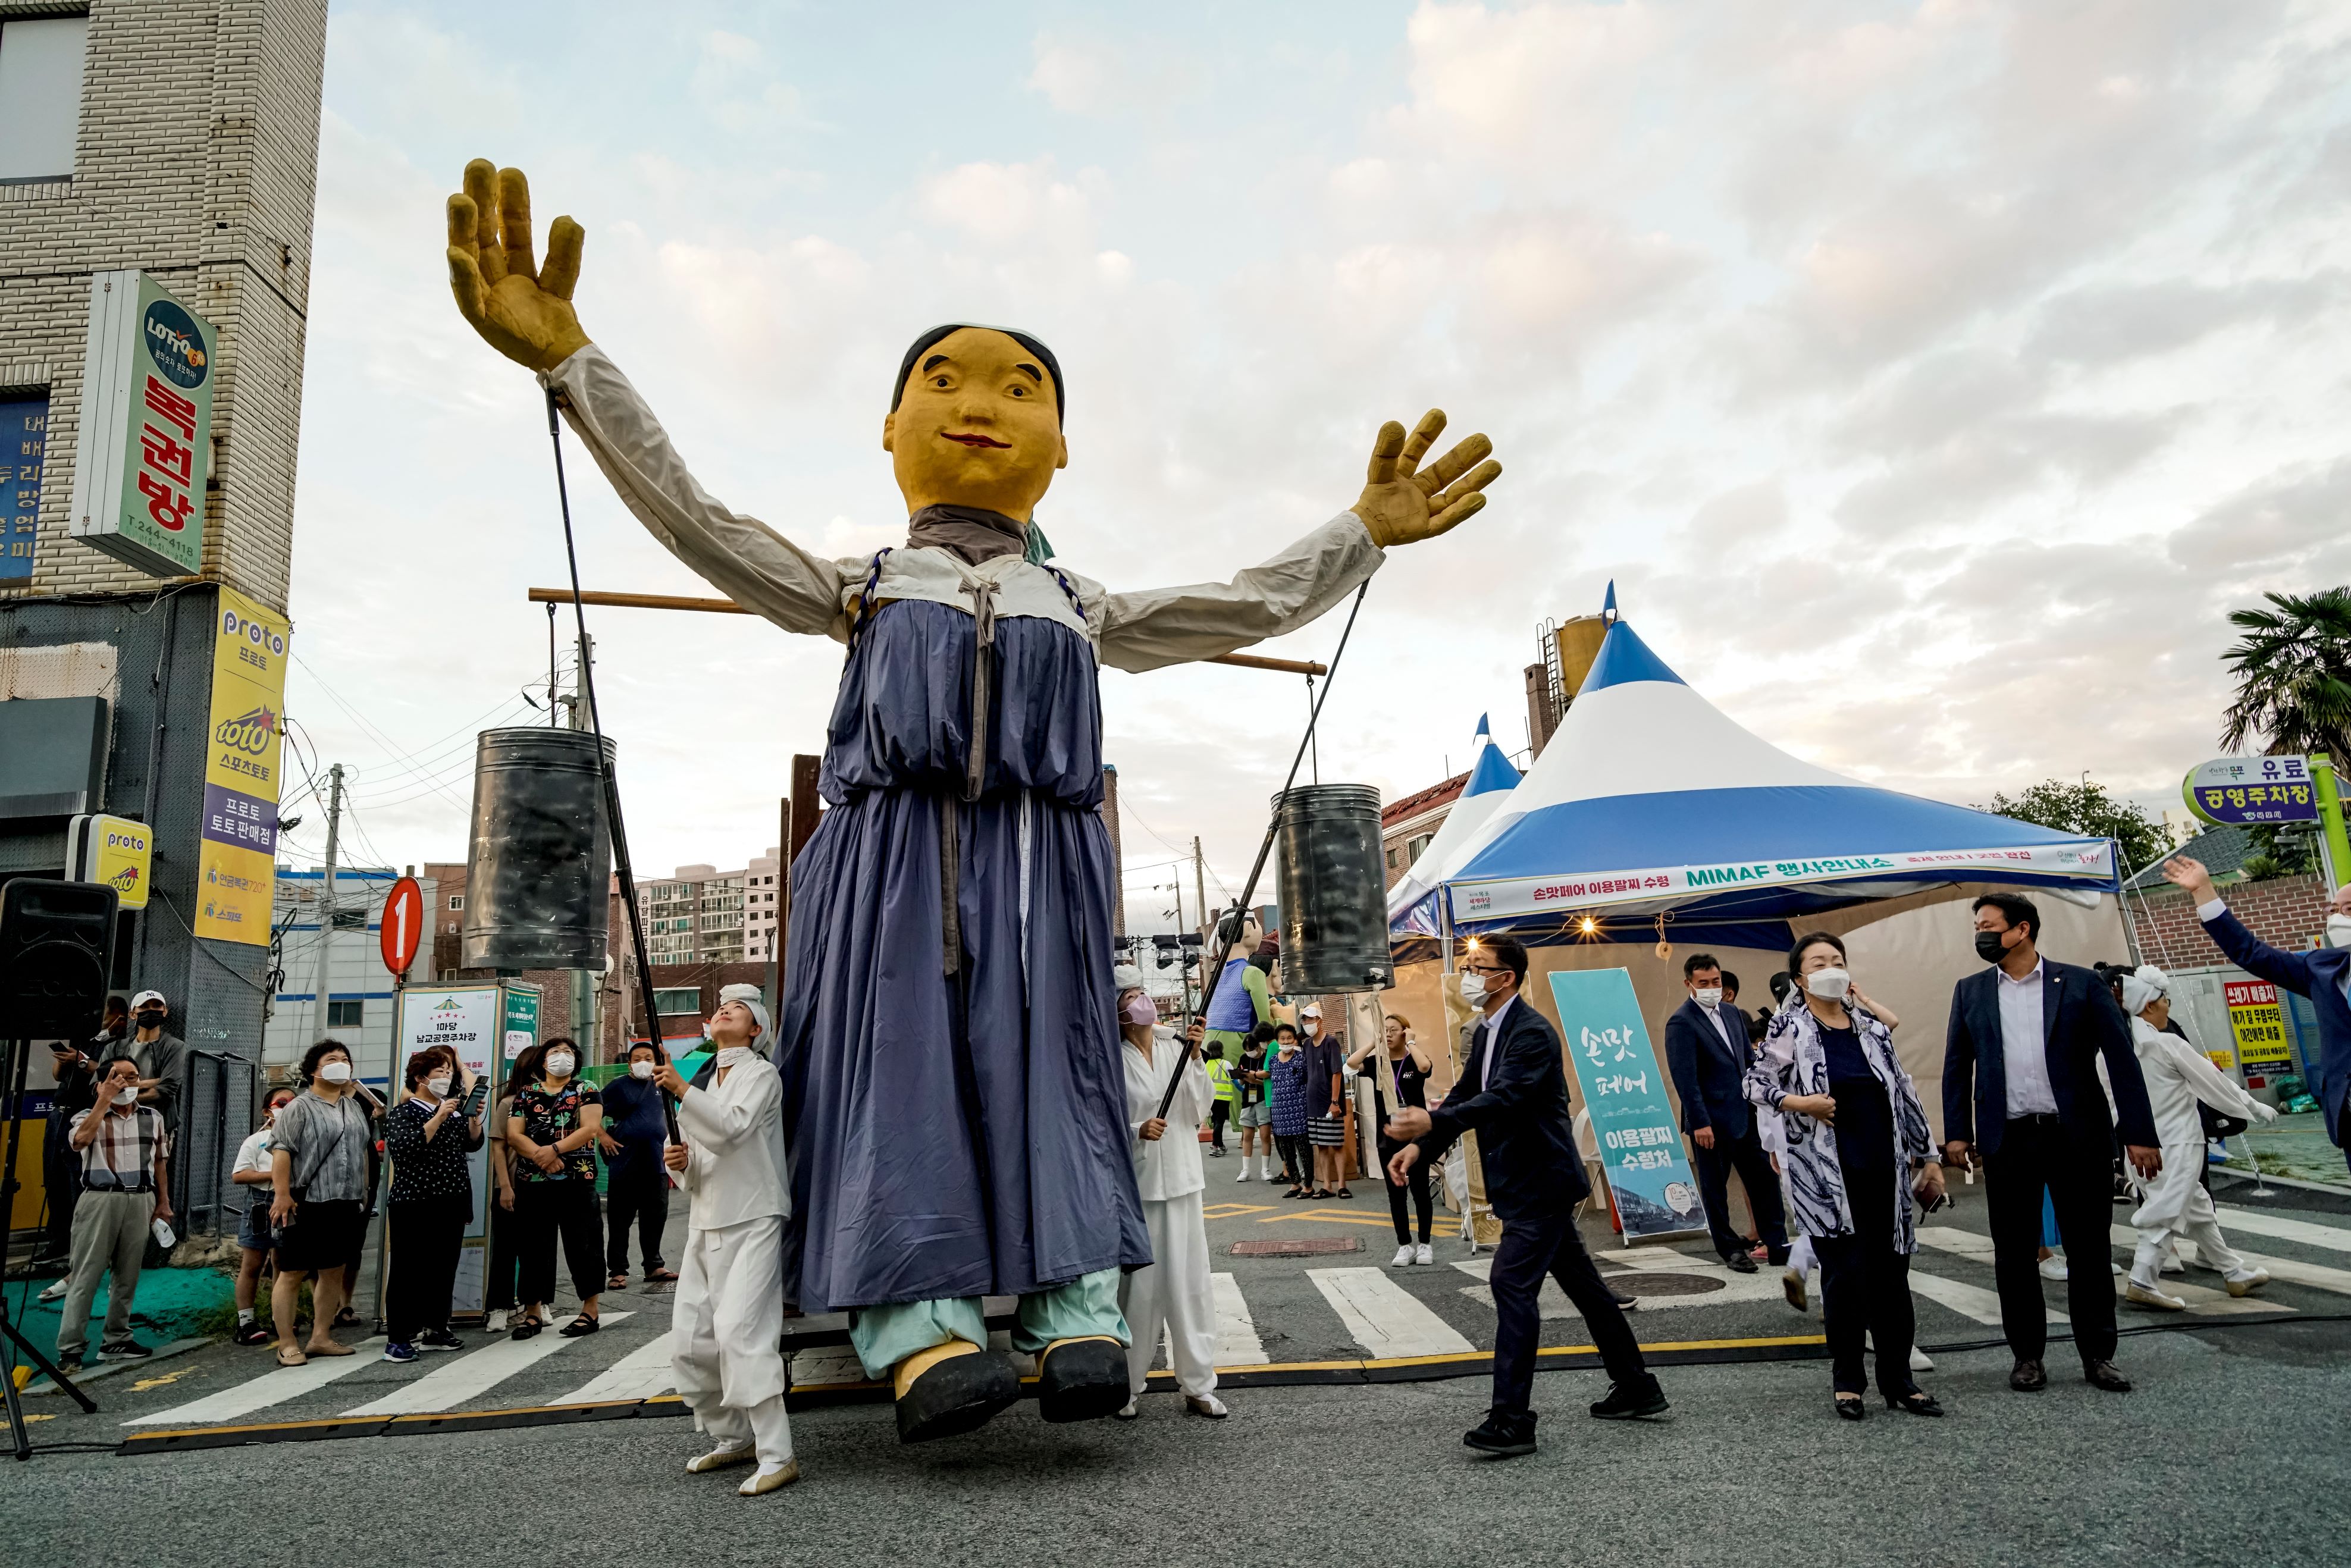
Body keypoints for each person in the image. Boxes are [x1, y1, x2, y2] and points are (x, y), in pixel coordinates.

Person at [1388, 936, 1665, 1456]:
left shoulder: (1532, 1032)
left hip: (1540, 1180)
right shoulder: (1486, 1030)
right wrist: (1423, 1146)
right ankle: (1636, 1386)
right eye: (1468, 965)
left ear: (1505, 978)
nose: (1469, 975)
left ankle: (1512, 1419)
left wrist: (1431, 1122)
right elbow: (1469, 1093)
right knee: (1587, 1290)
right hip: (1524, 1180)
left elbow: (1507, 1097)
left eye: (1478, 967)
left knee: (1510, 1282)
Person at [1943, 893, 2160, 1394]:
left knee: (2089, 1248)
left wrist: (2139, 1134)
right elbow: (1957, 1065)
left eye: (1989, 926)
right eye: (1978, 927)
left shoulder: (2080, 984)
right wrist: (1957, 1132)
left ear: (2022, 929)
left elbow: (2122, 1060)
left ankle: (2099, 1355)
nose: (1981, 935)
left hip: (2075, 1135)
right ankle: (2027, 1357)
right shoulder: (1971, 991)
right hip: (2008, 1138)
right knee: (2014, 1253)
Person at [1750, 933, 1945, 1419]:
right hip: (1825, 1178)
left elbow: (1904, 1093)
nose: (1831, 968)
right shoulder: (1790, 1027)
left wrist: (1930, 1156)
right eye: (1819, 962)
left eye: (1837, 960)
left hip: (1885, 1172)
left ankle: (1899, 1381)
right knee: (1845, 1279)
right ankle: (1848, 1382)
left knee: (1893, 1279)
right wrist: (1802, 1103)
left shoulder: (1872, 1030)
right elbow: (1755, 1084)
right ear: (1801, 978)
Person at [655, 993, 799, 1494]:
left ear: (756, 1030)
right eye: (721, 1007)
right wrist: (680, 1162)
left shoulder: (762, 1075)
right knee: (691, 1344)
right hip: (706, 1220)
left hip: (754, 1215)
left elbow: (732, 1128)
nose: (725, 1009)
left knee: (741, 1333)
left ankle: (778, 1454)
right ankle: (734, 1437)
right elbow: (694, 1156)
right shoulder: (703, 1081)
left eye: (737, 1008)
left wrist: (680, 1090)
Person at [2167, 854, 2351, 1177]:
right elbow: (2251, 953)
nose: (2336, 917)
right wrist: (2203, 891)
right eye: (2332, 909)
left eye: (2347, 909)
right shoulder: (2322, 969)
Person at [2107, 964, 2278, 1307]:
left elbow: (2109, 1105)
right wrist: (2254, 1105)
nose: (2168, 1007)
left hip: (2138, 1149)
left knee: (2198, 1208)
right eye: (2165, 1001)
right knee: (2166, 1210)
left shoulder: (2109, 1052)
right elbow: (2215, 1080)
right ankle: (2142, 1279)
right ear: (2150, 1005)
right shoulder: (2167, 1044)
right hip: (2180, 1143)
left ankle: (2233, 1271)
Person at [1112, 971, 1225, 1419]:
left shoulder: (1176, 1047)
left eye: (1142, 993)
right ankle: (1127, 1387)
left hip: (1183, 1181)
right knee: (1138, 1295)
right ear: (1118, 1010)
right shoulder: (1110, 1058)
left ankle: (1199, 1386)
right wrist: (1136, 1130)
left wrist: (1195, 1056)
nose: (1141, 1001)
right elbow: (1101, 1123)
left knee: (1191, 1289)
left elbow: (1200, 1107)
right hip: (1141, 1189)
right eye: (1131, 996)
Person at [1663, 952, 1788, 1274]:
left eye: (1715, 981)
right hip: (1711, 1121)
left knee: (1764, 1180)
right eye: (1703, 983)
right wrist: (1699, 1122)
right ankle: (1730, 1249)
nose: (1711, 988)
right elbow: (1685, 1079)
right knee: (1715, 1189)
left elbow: (1748, 1061)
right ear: (1689, 984)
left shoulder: (1732, 1013)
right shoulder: (1681, 1021)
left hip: (1746, 1113)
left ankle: (1777, 1243)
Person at [54, 1055, 173, 1371]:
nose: (125, 1083)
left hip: (141, 1199)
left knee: (128, 1275)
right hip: (99, 1199)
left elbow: (159, 1161)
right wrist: (103, 1101)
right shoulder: (85, 1116)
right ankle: (71, 1349)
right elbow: (79, 1142)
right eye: (116, 1077)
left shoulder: (153, 1117)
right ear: (101, 1084)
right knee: (86, 1275)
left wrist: (163, 1202)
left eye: (132, 1077)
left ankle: (117, 1339)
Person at [269, 1040, 375, 1366]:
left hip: (346, 1201)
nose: (341, 1063)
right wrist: (282, 1195)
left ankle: (321, 1337)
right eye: (332, 1059)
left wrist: (364, 1190)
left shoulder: (353, 1107)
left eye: (345, 1059)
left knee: (333, 1270)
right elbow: (282, 1150)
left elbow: (363, 1150)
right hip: (307, 1201)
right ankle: (287, 1343)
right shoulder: (299, 1107)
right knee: (293, 1271)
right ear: (313, 1070)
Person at [381, 1046, 486, 1363]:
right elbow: (405, 1149)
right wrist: (439, 1117)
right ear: (420, 1077)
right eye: (440, 1071)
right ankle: (398, 1338)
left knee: (443, 1267)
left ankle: (436, 1328)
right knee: (407, 1270)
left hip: (451, 1200)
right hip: (414, 1202)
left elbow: (472, 1144)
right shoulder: (403, 1112)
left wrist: (474, 1119)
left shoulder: (452, 1110)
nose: (447, 1077)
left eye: (450, 1072)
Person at [506, 1037, 607, 1339]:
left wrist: (554, 1150)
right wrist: (543, 1157)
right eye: (555, 1052)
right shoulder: (526, 1093)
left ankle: (590, 1310)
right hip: (532, 1180)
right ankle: (533, 1313)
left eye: (568, 1052)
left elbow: (590, 1128)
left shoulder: (586, 1088)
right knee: (533, 1247)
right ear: (542, 1060)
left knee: (584, 1244)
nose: (562, 1056)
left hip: (577, 1180)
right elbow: (514, 1135)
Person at [37, 997, 121, 1275]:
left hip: (84, 1114)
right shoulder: (84, 1039)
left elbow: (108, 1073)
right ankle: (57, 1240)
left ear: (118, 1017)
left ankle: (80, 1244)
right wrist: (66, 1060)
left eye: (103, 1014)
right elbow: (58, 1076)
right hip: (58, 1115)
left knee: (78, 1181)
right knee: (53, 1178)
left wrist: (82, 1060)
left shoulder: (115, 1045)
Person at [1353, 1014, 1434, 1266]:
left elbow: (1425, 1068)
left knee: (1420, 1191)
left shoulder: (1414, 1059)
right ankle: (1404, 1245)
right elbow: (1352, 1063)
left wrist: (1411, 1043)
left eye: (1393, 1030)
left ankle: (1425, 1244)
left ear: (1405, 1032)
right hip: (1388, 1137)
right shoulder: (1378, 1063)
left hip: (1416, 1138)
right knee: (1396, 1194)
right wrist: (1373, 1042)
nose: (1388, 1034)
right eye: (1385, 1030)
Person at [601, 1040, 680, 1290]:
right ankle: (617, 1271)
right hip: (624, 1164)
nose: (643, 1063)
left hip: (657, 1163)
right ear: (629, 1064)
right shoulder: (618, 1086)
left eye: (648, 1058)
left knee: (655, 1218)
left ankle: (654, 1266)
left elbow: (682, 1106)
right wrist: (602, 1136)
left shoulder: (663, 1085)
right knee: (619, 1221)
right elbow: (590, 1111)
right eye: (637, 1059)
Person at [228, 1087, 297, 1345]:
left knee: (283, 1262)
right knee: (253, 1263)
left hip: (293, 1201)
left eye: (294, 1102)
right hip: (261, 1202)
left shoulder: (302, 1137)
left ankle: (280, 1318)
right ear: (268, 1111)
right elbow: (239, 1175)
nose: (289, 1107)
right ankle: (246, 1323)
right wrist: (277, 1174)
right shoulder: (256, 1140)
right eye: (282, 1103)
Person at [483, 1055, 529, 1333]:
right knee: (505, 1251)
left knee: (537, 1251)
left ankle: (535, 1303)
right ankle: (499, 1307)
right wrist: (505, 1186)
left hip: (542, 1187)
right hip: (511, 1186)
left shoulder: (558, 1102)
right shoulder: (509, 1103)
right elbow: (498, 1147)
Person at [125, 989, 188, 1143]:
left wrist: (124, 1095)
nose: (151, 1011)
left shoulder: (174, 1046)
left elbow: (168, 1089)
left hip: (158, 1127)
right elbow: (102, 1086)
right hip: (119, 1124)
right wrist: (156, 1081)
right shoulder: (116, 1047)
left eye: (156, 1006)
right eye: (144, 1007)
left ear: (165, 1011)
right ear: (132, 1014)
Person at [1302, 1005, 1349, 1199]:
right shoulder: (1306, 1045)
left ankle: (1342, 1185)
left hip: (1330, 1102)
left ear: (1319, 1021)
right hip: (1313, 1103)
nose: (1306, 1023)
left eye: (1310, 1019)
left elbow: (1337, 1073)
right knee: (1321, 1145)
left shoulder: (1331, 1043)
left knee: (1336, 1144)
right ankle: (1327, 1185)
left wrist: (1335, 1101)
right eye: (1304, 1020)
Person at [1267, 1024, 1315, 1200]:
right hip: (1279, 1112)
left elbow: (1309, 1081)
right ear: (1277, 1040)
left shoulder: (1302, 1058)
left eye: (1289, 1038)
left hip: (1299, 1111)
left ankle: (1308, 1186)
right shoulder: (1273, 1060)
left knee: (1304, 1151)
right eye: (1283, 1038)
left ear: (1295, 1039)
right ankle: (1295, 1183)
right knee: (1286, 1152)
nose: (1286, 1042)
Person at [1233, 1024, 1281, 1184]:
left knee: (1265, 1135)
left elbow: (1269, 1080)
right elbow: (1242, 1081)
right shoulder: (1243, 1058)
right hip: (1248, 1100)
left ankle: (1265, 1169)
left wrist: (1255, 1080)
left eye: (1252, 1049)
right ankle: (1245, 1170)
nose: (1250, 1053)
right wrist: (1242, 1078)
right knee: (1247, 1136)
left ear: (1258, 1046)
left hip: (1263, 1099)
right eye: (1247, 1050)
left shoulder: (1267, 1056)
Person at [1202, 1043, 1233, 1158]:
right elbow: (1234, 1078)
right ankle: (1215, 1146)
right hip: (1223, 1098)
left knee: (1216, 1121)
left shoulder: (1204, 1064)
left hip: (1209, 1098)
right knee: (1220, 1122)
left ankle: (1220, 1145)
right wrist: (1243, 1089)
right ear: (1221, 1050)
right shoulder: (1225, 1064)